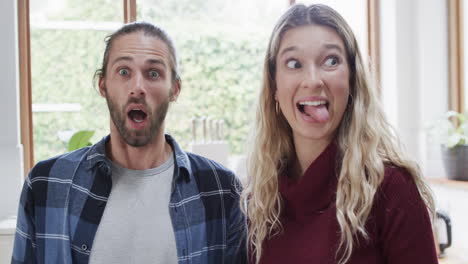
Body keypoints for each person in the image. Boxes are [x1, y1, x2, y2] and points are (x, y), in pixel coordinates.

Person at [12, 22, 246, 264]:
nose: (137, 87)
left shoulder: (221, 189)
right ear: (103, 85)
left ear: (174, 89)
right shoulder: (46, 184)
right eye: (124, 72)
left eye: (153, 73)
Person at [241, 4, 438, 264]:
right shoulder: (261, 199)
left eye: (331, 61)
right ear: (275, 86)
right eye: (294, 63)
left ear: (352, 79)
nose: (312, 80)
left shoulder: (391, 188)